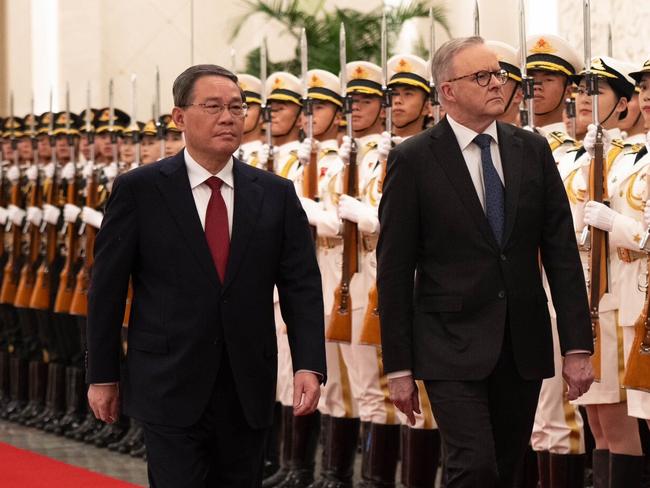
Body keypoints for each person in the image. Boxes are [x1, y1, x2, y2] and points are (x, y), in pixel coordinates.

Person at [85, 64, 326, 487]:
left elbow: (301, 286)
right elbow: (106, 290)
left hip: (246, 383)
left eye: (237, 107)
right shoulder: (140, 190)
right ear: (179, 117)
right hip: (168, 381)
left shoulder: (274, 193)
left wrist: (309, 363)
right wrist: (102, 374)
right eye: (213, 106)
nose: (228, 117)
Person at [377, 36, 594, 488]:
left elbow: (560, 253)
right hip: (448, 344)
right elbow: (394, 270)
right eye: (481, 76)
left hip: (521, 342)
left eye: (498, 73)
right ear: (448, 90)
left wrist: (577, 346)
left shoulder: (531, 150)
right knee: (472, 466)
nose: (498, 83)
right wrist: (398, 367)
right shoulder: (413, 159)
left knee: (510, 467)